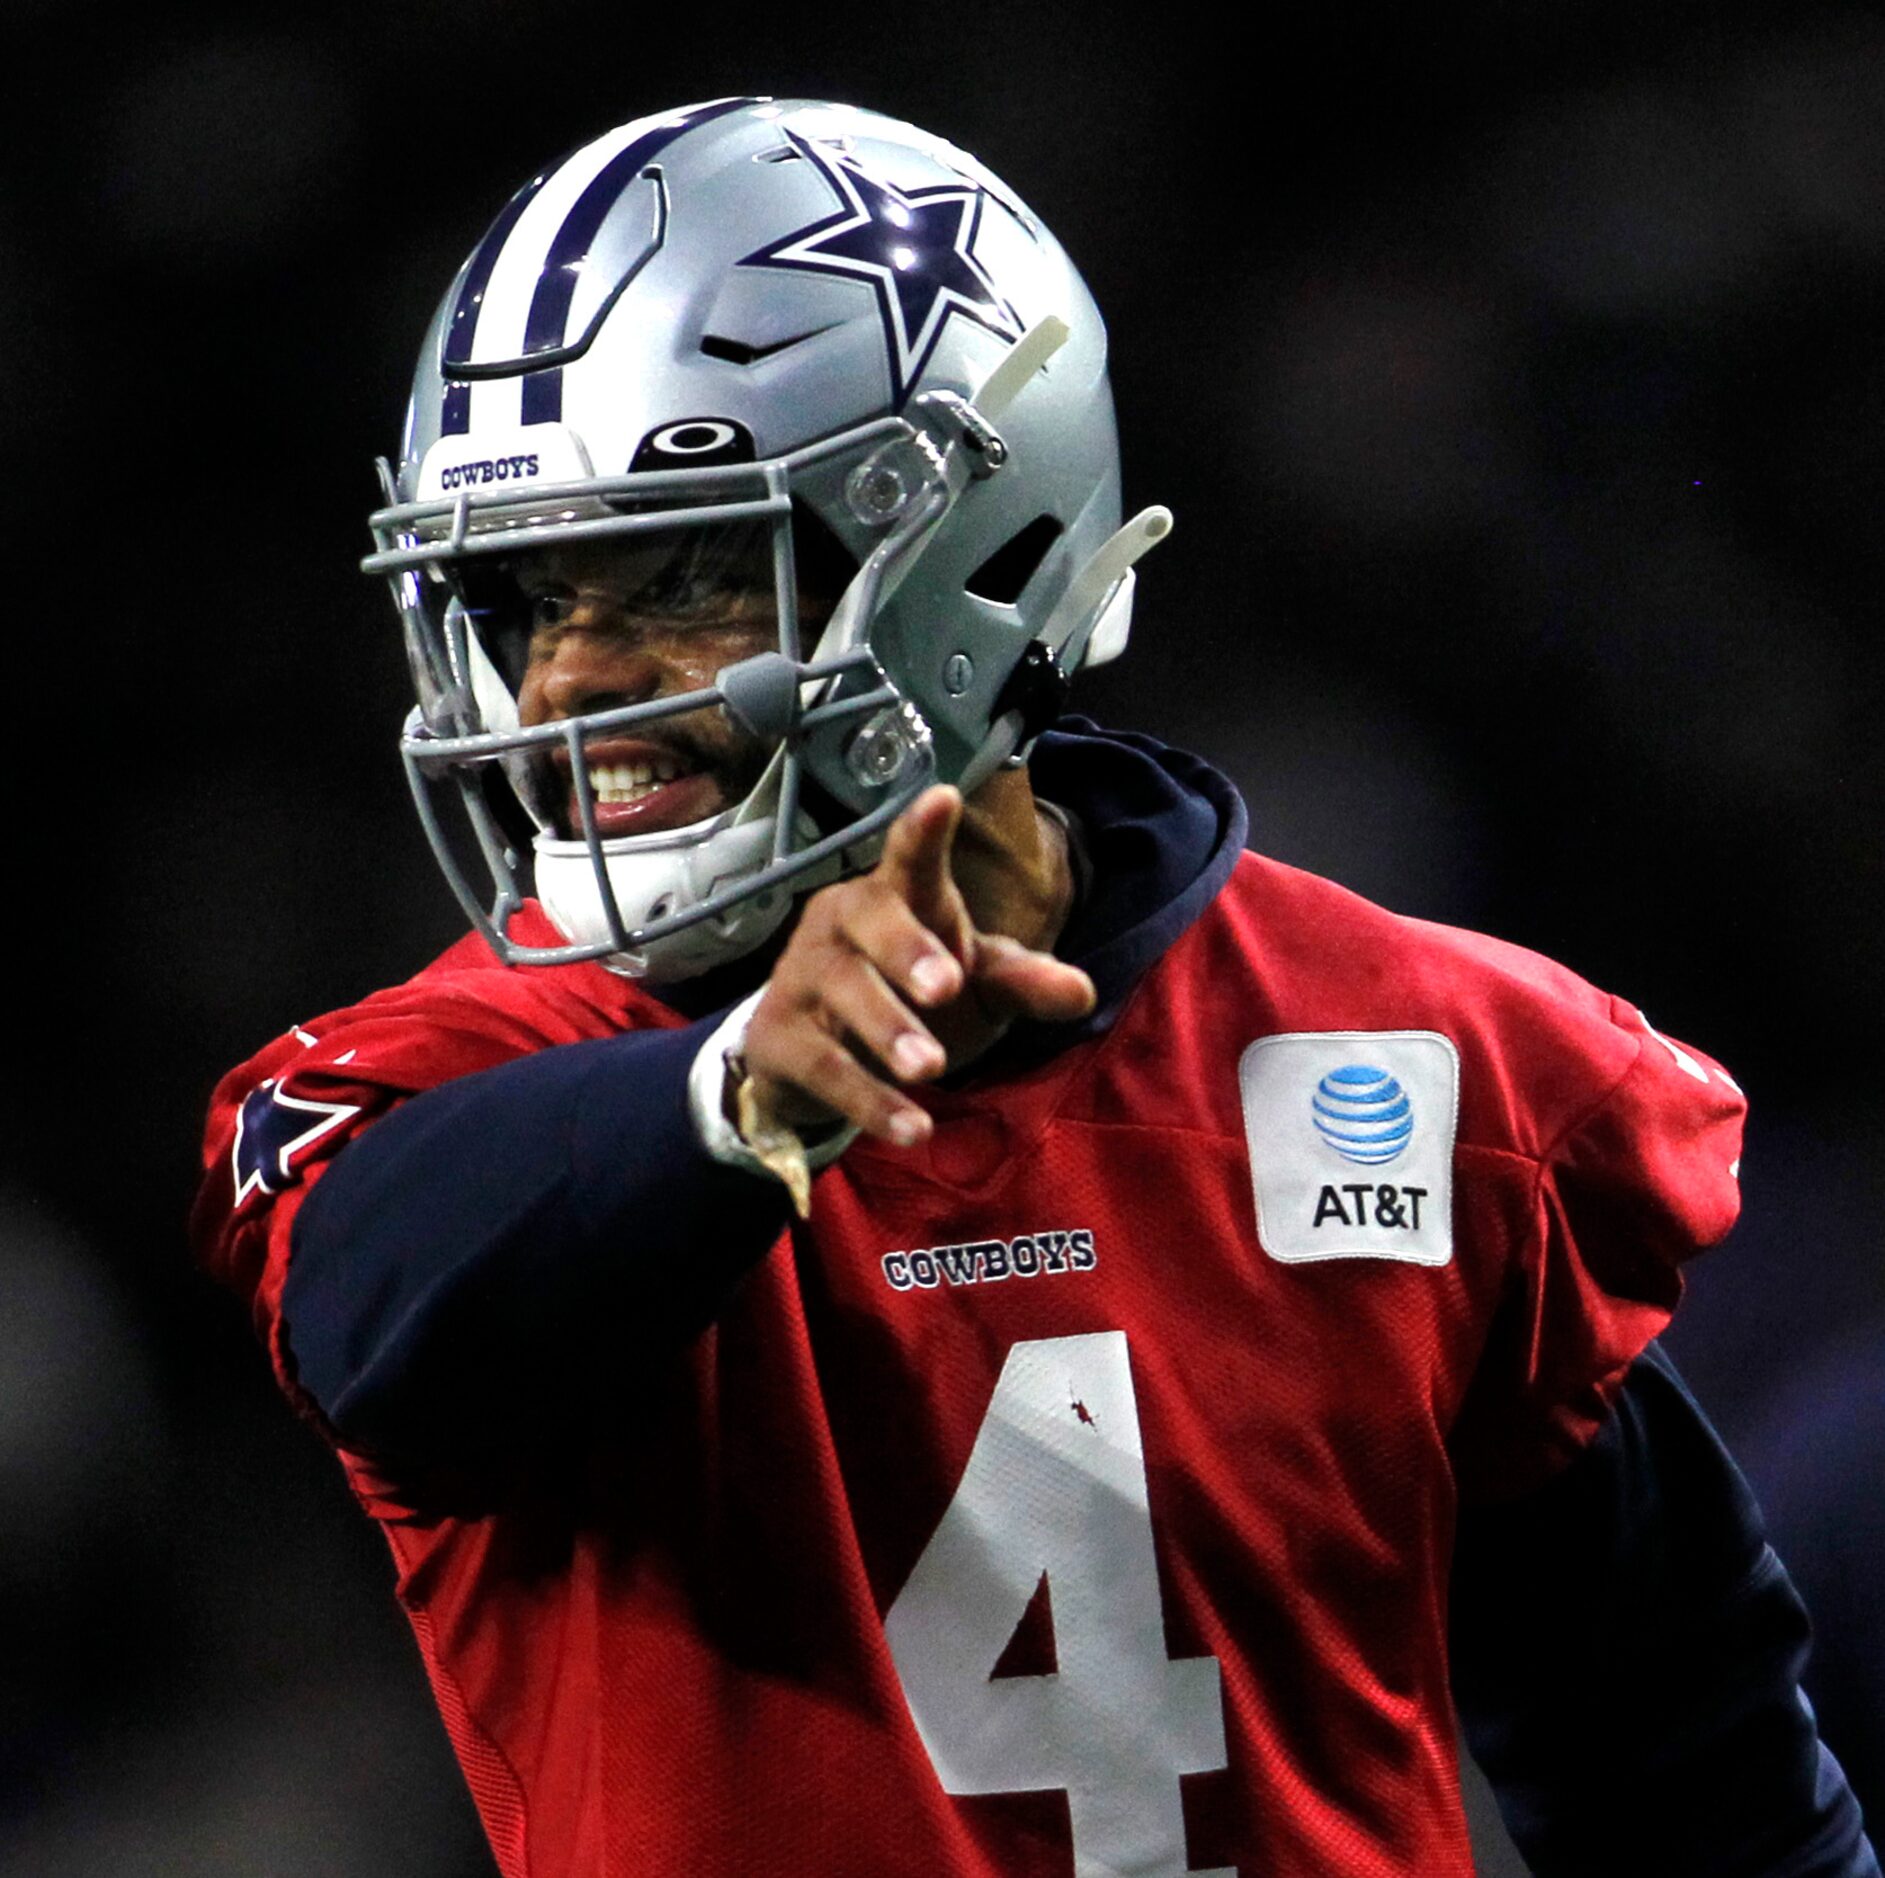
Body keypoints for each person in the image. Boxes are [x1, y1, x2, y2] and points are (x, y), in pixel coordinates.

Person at [193, 97, 1876, 1876]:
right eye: (527, 603)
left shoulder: (1427, 1058)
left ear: (972, 551)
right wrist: (734, 1095)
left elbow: (1695, 1773)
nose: (562, 691)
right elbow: (386, 1331)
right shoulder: (448, 1088)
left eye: (682, 573)